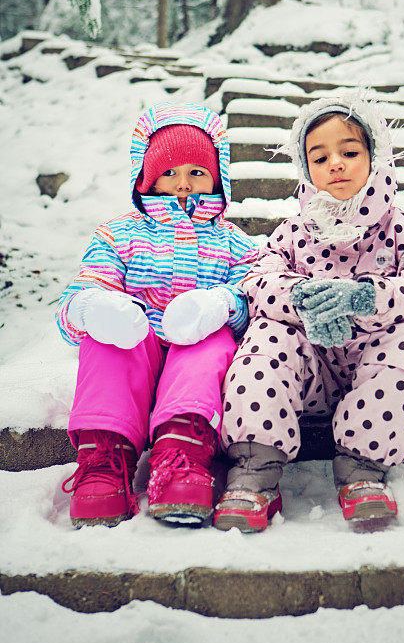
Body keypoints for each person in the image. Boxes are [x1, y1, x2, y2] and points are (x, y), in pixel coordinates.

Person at [213, 90, 404, 533]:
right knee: (266, 338)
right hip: (308, 370)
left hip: (380, 364)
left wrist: (366, 298)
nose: (336, 164)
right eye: (320, 157)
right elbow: (256, 281)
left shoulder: (403, 229)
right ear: (305, 169)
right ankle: (255, 467)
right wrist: (301, 298)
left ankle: (362, 468)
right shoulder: (293, 232)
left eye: (350, 152)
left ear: (375, 157)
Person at [57, 102, 258, 529]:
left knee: (212, 341)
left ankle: (180, 451)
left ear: (217, 176)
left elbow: (252, 295)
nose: (183, 184)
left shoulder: (234, 242)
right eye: (169, 172)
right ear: (147, 177)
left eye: (197, 172)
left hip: (194, 352)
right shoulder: (119, 234)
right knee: (107, 342)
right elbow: (81, 294)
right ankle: (104, 457)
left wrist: (222, 304)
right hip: (138, 344)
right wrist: (94, 308)